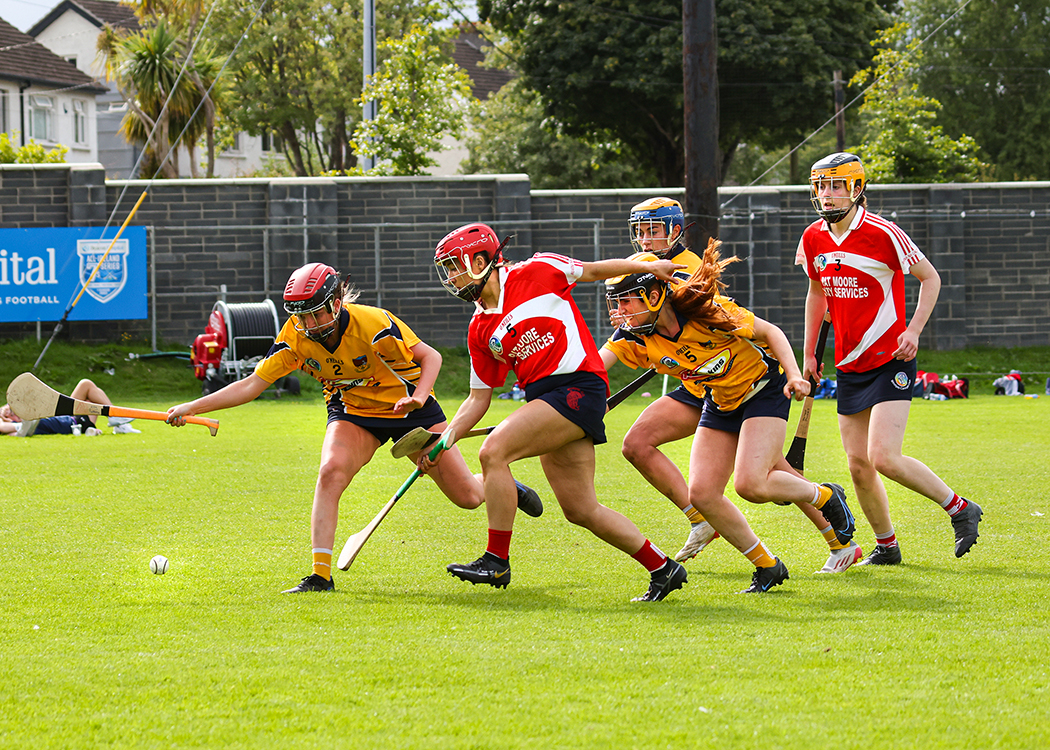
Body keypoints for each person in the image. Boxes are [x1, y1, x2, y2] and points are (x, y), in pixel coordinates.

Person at [165, 262, 543, 594]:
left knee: (468, 498)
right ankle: (319, 575)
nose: (308, 325)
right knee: (330, 472)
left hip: (410, 407)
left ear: (335, 303)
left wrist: (420, 397)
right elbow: (251, 385)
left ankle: (504, 486)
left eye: (315, 314)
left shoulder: (374, 323)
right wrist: (191, 406)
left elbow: (431, 356)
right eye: (301, 316)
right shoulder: (295, 336)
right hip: (353, 411)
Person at [423, 222, 688, 602]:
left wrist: (647, 268)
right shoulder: (479, 328)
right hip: (545, 401)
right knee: (581, 510)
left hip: (578, 387)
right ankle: (662, 567)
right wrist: (444, 442)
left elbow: (595, 270)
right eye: (446, 269)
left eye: (455, 265)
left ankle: (496, 559)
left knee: (493, 452)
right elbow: (477, 399)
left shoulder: (538, 270)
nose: (451, 277)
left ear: (481, 259)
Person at [600, 246, 858, 592]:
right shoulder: (635, 337)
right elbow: (594, 368)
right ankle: (768, 566)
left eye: (626, 301)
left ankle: (825, 496)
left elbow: (771, 333)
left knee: (750, 485)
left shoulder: (708, 311)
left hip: (763, 390)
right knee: (703, 494)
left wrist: (795, 375)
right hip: (719, 401)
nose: (619, 312)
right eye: (616, 303)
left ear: (653, 295)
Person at [795, 152, 983, 565]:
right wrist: (808, 351)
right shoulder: (813, 237)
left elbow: (930, 278)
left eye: (836, 186)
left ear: (857, 188)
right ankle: (887, 546)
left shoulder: (884, 233)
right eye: (821, 186)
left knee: (883, 456)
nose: (827, 195)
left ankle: (960, 509)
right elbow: (816, 293)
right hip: (848, 364)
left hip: (890, 358)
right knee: (859, 465)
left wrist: (913, 330)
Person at [614, 197, 720, 563]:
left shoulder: (690, 269)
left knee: (766, 479)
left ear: (674, 231)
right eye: (639, 231)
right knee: (636, 444)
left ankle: (832, 518)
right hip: (693, 383)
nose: (644, 239)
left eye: (653, 230)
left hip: (727, 382)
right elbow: (624, 337)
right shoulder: (640, 267)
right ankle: (700, 520)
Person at [1, 378, 140, 437]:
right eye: (10, 413)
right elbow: (6, 428)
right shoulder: (22, 425)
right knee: (86, 384)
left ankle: (118, 421)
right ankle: (116, 417)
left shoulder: (30, 418)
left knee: (90, 391)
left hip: (69, 416)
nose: (14, 412)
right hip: (74, 421)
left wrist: (5, 410)